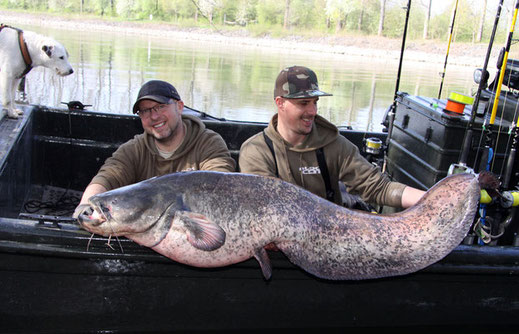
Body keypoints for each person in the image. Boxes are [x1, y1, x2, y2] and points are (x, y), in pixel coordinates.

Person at [239, 65, 425, 210]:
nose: (312, 111)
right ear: (280, 103)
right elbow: (263, 207)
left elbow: (378, 187)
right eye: (303, 103)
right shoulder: (255, 151)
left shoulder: (334, 145)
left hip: (330, 235)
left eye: (315, 102)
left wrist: (431, 201)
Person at [74, 79, 236, 214]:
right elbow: (107, 177)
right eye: (145, 111)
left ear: (179, 106)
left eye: (160, 107)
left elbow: (220, 186)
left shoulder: (208, 143)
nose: (154, 116)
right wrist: (85, 207)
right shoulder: (134, 149)